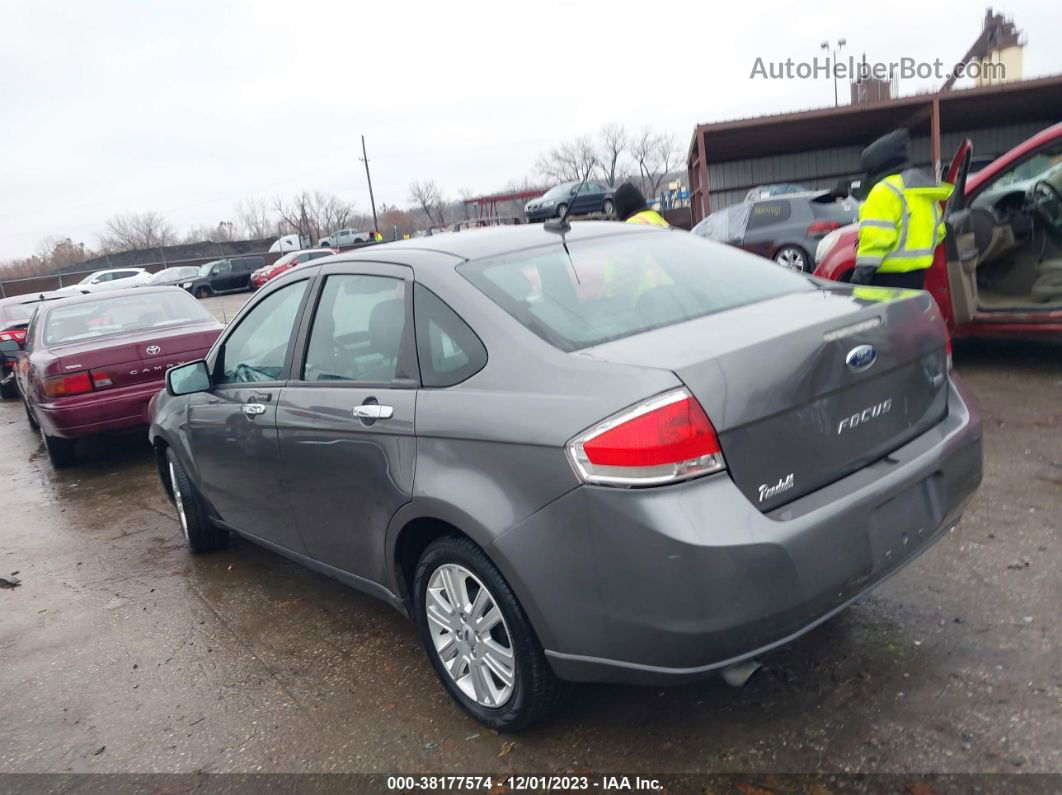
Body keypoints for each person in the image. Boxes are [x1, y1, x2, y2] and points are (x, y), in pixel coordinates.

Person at [851, 129, 953, 288]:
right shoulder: (921, 190)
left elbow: (875, 243)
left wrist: (858, 282)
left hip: (887, 280)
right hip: (918, 275)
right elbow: (939, 233)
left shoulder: (883, 191)